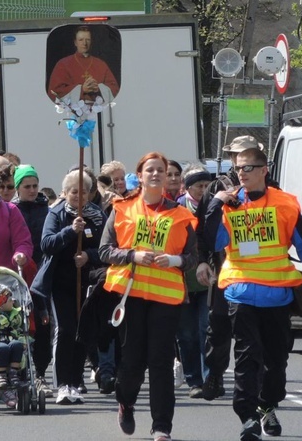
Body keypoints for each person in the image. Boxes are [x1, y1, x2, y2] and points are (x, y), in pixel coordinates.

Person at [205, 147, 302, 441]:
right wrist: (215, 202)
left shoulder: (285, 205)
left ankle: (267, 405)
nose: (242, 173)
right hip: (240, 291)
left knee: (276, 361)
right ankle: (247, 417)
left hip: (277, 295)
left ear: (264, 170)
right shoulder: (229, 205)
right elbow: (212, 239)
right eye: (238, 168)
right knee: (248, 356)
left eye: (248, 167)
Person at [99, 152, 198, 441]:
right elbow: (105, 251)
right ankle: (126, 401)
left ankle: (162, 427)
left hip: (166, 299)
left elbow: (193, 256)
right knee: (132, 361)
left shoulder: (182, 215)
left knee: (161, 362)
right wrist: (133, 255)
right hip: (131, 295)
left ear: (168, 177)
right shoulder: (122, 209)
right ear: (140, 176)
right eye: (149, 170)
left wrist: (176, 261)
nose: (155, 174)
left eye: (161, 170)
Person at [194, 135, 265, 401]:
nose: (241, 162)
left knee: (256, 332)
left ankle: (254, 383)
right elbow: (201, 230)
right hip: (226, 267)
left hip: (262, 270)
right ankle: (214, 373)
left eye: (247, 155)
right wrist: (202, 260)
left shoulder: (271, 188)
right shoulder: (216, 188)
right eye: (237, 156)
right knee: (219, 327)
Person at [31, 169, 107, 405]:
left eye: (84, 192)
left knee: (82, 332)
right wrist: (70, 231)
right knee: (65, 329)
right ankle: (62, 383)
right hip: (61, 282)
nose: (79, 196)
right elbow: (46, 244)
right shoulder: (56, 213)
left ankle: (76, 382)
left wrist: (88, 255)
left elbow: (107, 248)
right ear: (65, 192)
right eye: (74, 191)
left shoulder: (98, 216)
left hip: (89, 281)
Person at [11, 164, 53, 397]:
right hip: (18, 272)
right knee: (17, 323)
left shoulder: (47, 209)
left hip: (42, 274)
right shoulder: (10, 210)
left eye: (35, 185)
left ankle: (40, 374)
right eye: (27, 186)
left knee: (42, 323)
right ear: (18, 188)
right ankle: (17, 372)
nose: (32, 190)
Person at [175, 165, 214, 398]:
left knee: (206, 329)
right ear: (188, 187)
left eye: (207, 186)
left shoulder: (214, 206)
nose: (203, 190)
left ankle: (209, 377)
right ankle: (193, 380)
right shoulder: (178, 208)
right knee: (186, 333)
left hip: (209, 280)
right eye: (199, 186)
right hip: (183, 280)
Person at [48, 25, 120, 104]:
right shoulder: (63, 64)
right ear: (75, 42)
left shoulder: (101, 64)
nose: (84, 43)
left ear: (91, 41)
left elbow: (115, 89)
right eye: (81, 40)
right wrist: (82, 89)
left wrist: (99, 88)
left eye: (87, 40)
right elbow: (54, 92)